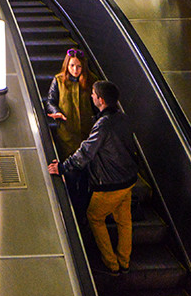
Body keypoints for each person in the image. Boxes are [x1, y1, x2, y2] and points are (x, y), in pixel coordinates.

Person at [48, 81, 139, 276]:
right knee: (124, 221)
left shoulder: (103, 124)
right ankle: (125, 261)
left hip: (110, 184)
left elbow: (86, 152)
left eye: (94, 94)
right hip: (129, 179)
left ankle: (112, 264)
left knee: (95, 217)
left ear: (101, 100)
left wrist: (63, 167)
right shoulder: (122, 117)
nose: (91, 96)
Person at [45, 49, 99, 160]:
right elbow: (51, 101)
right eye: (72, 65)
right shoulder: (59, 80)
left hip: (86, 131)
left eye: (79, 66)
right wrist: (56, 112)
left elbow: (97, 105)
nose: (75, 70)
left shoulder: (91, 80)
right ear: (67, 65)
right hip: (67, 131)